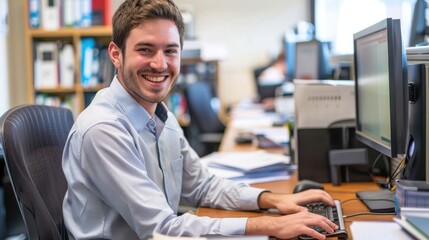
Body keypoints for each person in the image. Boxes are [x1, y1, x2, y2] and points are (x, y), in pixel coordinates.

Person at [62, 0, 338, 239]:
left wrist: (274, 200)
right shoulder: (103, 130)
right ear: (115, 54)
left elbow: (202, 186)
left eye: (170, 50)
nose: (160, 64)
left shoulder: (160, 114)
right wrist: (270, 224)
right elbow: (161, 228)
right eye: (145, 49)